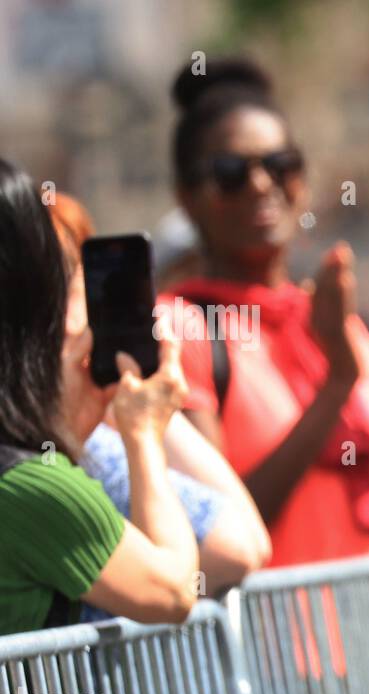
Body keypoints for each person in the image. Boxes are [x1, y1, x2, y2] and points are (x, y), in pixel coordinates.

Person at [164, 57, 369, 566]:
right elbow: (222, 532)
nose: (262, 184)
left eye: (281, 165)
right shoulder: (179, 329)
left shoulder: (332, 318)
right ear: (187, 198)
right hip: (277, 645)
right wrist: (335, 387)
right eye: (230, 173)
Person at [45, 192, 270, 614]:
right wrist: (144, 425)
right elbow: (240, 547)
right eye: (82, 282)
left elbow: (249, 541)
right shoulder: (66, 458)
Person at [0, 159, 197, 636]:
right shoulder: (28, 486)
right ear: (37, 290)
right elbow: (173, 590)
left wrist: (62, 432)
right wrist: (145, 436)